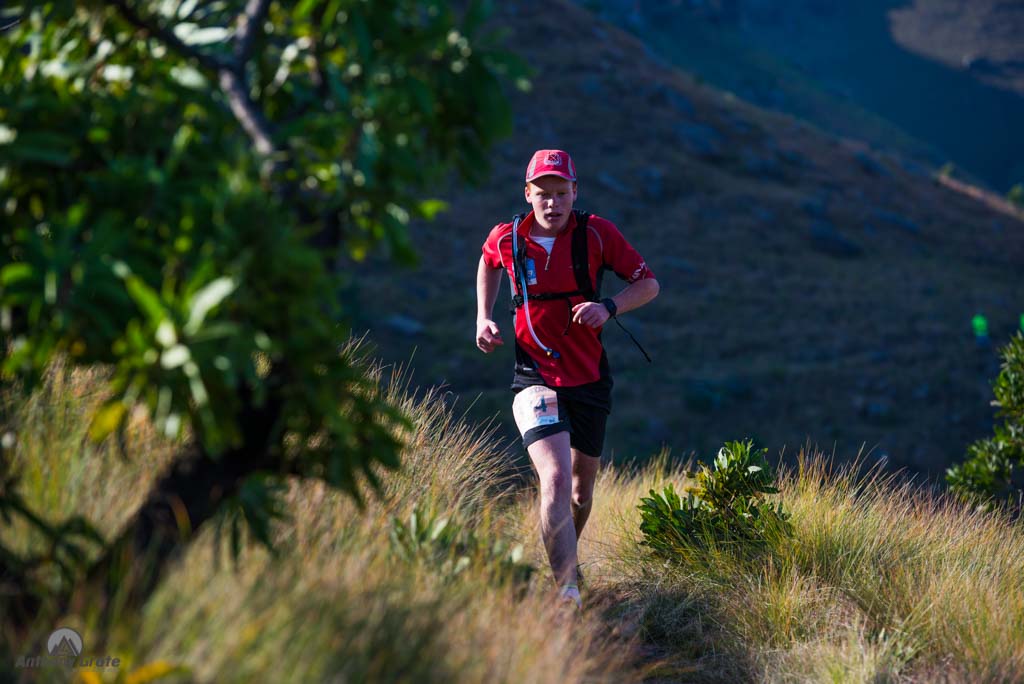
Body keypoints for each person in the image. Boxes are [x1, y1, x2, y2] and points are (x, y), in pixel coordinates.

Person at [475, 149, 660, 610]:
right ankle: (567, 593)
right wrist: (483, 318)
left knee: (580, 490)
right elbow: (487, 262)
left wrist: (609, 306)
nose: (552, 203)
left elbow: (649, 284)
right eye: (543, 194)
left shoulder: (597, 233)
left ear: (574, 192)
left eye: (561, 193)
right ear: (528, 194)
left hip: (589, 377)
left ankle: (565, 563)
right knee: (554, 477)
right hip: (533, 374)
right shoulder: (509, 236)